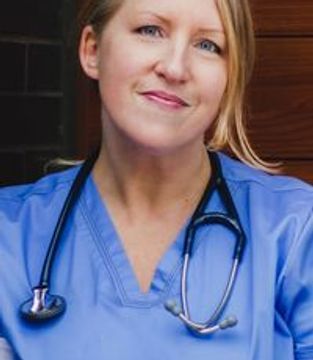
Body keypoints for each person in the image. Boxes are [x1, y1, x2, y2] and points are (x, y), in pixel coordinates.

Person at [0, 0, 313, 358]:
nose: (176, 67)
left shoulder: (295, 231)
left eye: (208, 45)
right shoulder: (9, 235)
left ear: (230, 78)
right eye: (150, 30)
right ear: (93, 51)